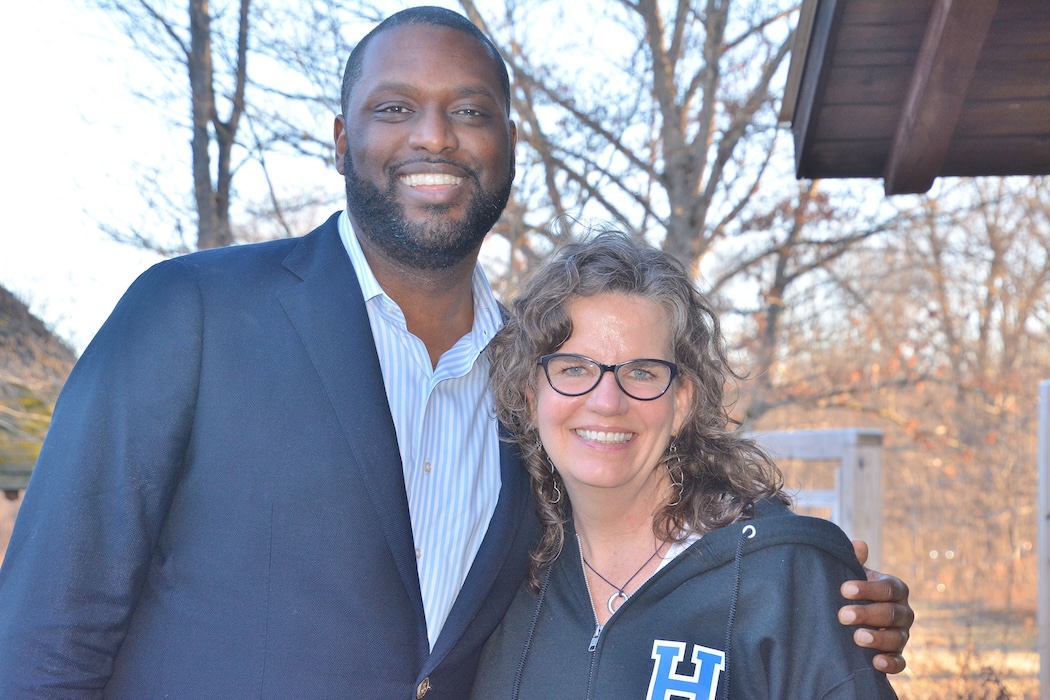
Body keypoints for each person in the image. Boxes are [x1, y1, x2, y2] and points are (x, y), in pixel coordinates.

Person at [0, 7, 909, 698]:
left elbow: (638, 550)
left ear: (507, 145)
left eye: (469, 111)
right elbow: (45, 628)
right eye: (395, 107)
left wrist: (815, 594)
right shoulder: (190, 312)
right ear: (342, 136)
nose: (433, 136)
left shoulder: (538, 383)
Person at [471, 230, 898, 698]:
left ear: (681, 402)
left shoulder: (784, 576)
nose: (607, 401)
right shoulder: (498, 573)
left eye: (641, 372)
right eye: (574, 368)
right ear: (531, 398)